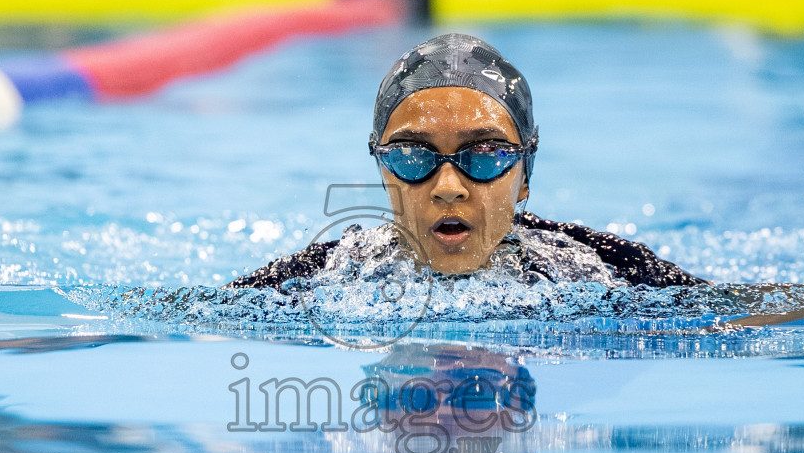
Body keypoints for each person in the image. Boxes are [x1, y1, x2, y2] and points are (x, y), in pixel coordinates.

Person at [229, 33, 704, 289]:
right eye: (414, 155)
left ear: (523, 178)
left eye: (488, 154)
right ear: (382, 170)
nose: (449, 186)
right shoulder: (325, 274)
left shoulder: (601, 269)